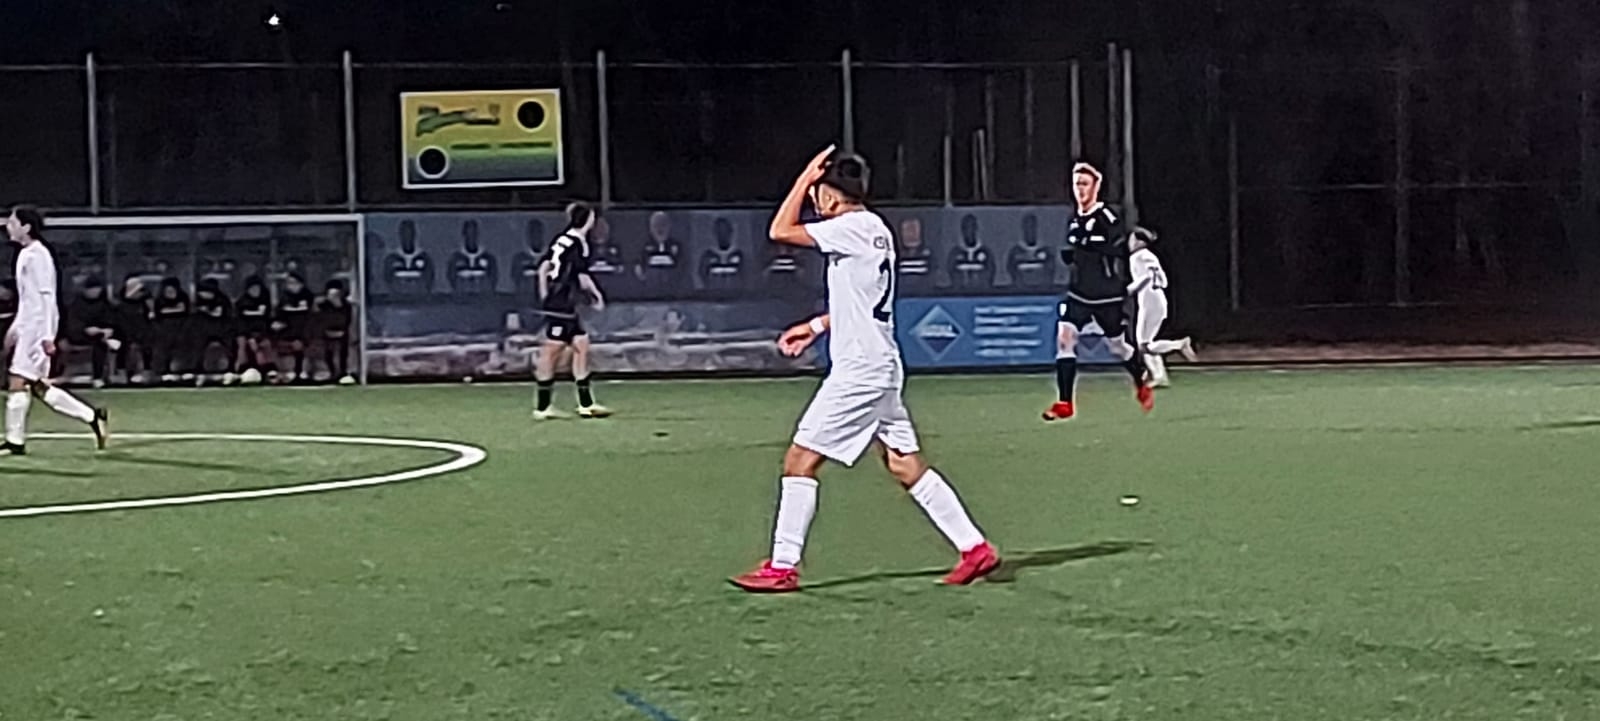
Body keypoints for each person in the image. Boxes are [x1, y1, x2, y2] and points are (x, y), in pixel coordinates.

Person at [730, 147, 999, 593]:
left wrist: (804, 177)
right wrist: (815, 327)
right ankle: (975, 548)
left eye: (818, 193)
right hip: (882, 363)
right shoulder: (876, 229)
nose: (814, 200)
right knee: (904, 464)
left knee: (800, 459)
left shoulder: (848, 227)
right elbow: (860, 302)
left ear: (831, 195)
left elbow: (779, 230)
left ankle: (782, 566)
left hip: (860, 370)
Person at [1044, 163, 1152, 421]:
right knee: (1064, 338)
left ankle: (1140, 379)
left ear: (1096, 187)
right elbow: (1079, 249)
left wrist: (1089, 244)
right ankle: (1065, 402)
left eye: (1084, 184)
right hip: (1079, 293)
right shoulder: (1075, 220)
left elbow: (1118, 248)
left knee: (1118, 347)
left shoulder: (1106, 216)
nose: (1080, 190)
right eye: (1076, 184)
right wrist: (1073, 256)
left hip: (1106, 294)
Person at [1, 205, 108, 455]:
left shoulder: (38, 255)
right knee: (37, 386)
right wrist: (16, 328)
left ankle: (15, 441)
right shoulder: (26, 254)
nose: (8, 226)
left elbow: (47, 297)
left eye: (13, 222)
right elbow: (28, 299)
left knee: (18, 381)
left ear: (26, 227)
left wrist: (49, 334)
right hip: (29, 327)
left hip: (38, 329)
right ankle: (92, 416)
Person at [532, 202, 611, 420]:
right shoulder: (577, 244)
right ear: (589, 220)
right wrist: (596, 296)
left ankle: (586, 403)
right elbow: (581, 277)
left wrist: (545, 294)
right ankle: (543, 407)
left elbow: (544, 268)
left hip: (561, 300)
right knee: (551, 352)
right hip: (563, 302)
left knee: (581, 344)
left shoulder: (563, 239)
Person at [1127, 226, 1197, 387]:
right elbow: (1164, 281)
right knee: (1146, 342)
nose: (1130, 243)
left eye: (1132, 239)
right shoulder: (1151, 256)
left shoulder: (1136, 257)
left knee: (1144, 344)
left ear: (1140, 242)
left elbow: (1145, 277)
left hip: (1149, 301)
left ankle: (1178, 345)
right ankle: (1159, 375)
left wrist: (1131, 288)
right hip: (1159, 298)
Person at [63, 277, 118, 388]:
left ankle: (114, 374)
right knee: (99, 343)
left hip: (101, 335)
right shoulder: (76, 304)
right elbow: (72, 324)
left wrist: (108, 329)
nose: (95, 292)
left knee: (105, 342)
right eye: (92, 290)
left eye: (97, 289)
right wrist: (86, 329)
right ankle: (97, 377)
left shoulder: (104, 304)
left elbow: (111, 320)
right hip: (79, 334)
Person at [273, 273, 316, 382]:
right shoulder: (283, 299)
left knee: (306, 346)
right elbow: (278, 319)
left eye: (295, 283)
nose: (292, 286)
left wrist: (302, 338)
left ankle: (304, 371)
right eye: (289, 283)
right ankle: (287, 371)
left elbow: (311, 320)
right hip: (287, 334)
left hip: (305, 334)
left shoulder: (309, 298)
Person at [233, 276, 275, 383]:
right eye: (252, 289)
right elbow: (240, 323)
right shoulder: (241, 303)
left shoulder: (265, 301)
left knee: (266, 345)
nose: (255, 291)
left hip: (261, 332)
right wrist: (249, 336)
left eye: (257, 289)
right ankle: (240, 370)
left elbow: (267, 321)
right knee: (242, 344)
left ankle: (269, 370)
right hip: (244, 332)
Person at [150, 277, 192, 383]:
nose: (170, 293)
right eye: (167, 291)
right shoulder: (159, 301)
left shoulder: (183, 298)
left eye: (172, 290)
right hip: (163, 333)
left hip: (182, 331)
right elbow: (157, 314)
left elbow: (184, 310)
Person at [191, 278, 234, 378]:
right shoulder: (199, 303)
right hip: (203, 336)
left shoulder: (222, 302)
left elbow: (219, 314)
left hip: (222, 335)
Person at [317, 280, 354, 384]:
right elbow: (319, 320)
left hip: (342, 334)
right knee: (328, 352)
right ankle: (332, 373)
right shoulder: (323, 305)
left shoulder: (346, 306)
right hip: (326, 334)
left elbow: (347, 320)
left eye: (336, 294)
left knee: (343, 352)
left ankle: (343, 373)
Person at [446, 219, 498, 295]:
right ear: (464, 235)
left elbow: (493, 279)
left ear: (477, 234)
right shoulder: (455, 259)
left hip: (482, 299)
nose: (471, 237)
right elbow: (452, 279)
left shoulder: (489, 259)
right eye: (468, 234)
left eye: (473, 233)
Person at [1007, 213, 1054, 290]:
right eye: (1027, 227)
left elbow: (1050, 272)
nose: (1030, 230)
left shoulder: (1046, 252)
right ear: (1023, 229)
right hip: (1021, 292)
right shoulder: (1015, 253)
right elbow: (1012, 272)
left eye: (1032, 227)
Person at [948, 214, 996, 290]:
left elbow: (990, 275)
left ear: (976, 229)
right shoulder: (954, 254)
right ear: (962, 230)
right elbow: (952, 275)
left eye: (972, 227)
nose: (969, 231)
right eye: (966, 228)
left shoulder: (986, 253)